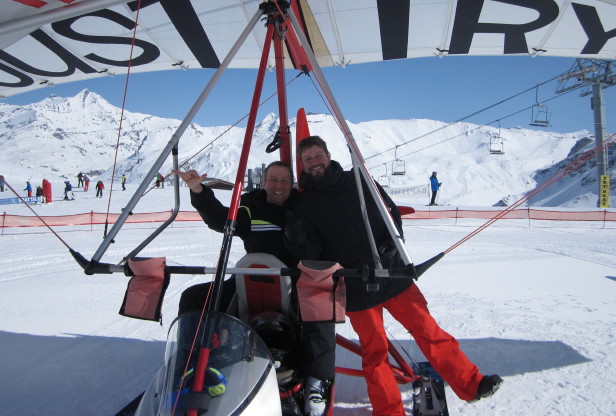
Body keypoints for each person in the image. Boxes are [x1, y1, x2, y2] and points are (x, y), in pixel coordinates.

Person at [290, 136, 502, 416]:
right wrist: (296, 236)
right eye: (308, 159)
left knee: (429, 331)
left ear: (328, 156)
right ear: (302, 165)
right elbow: (313, 251)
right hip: (355, 284)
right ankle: (389, 411)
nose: (314, 162)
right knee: (374, 352)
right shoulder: (306, 203)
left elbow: (390, 213)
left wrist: (393, 243)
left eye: (318, 155)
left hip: (392, 273)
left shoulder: (359, 179)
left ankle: (471, 384)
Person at [175, 162, 335, 416]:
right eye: (273, 179)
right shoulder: (252, 206)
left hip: (295, 282)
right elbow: (221, 220)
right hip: (249, 280)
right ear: (264, 182)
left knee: (322, 310)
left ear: (292, 184)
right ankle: (193, 366)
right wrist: (199, 191)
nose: (278, 186)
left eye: (284, 181)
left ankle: (317, 378)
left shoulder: (302, 208)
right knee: (194, 297)